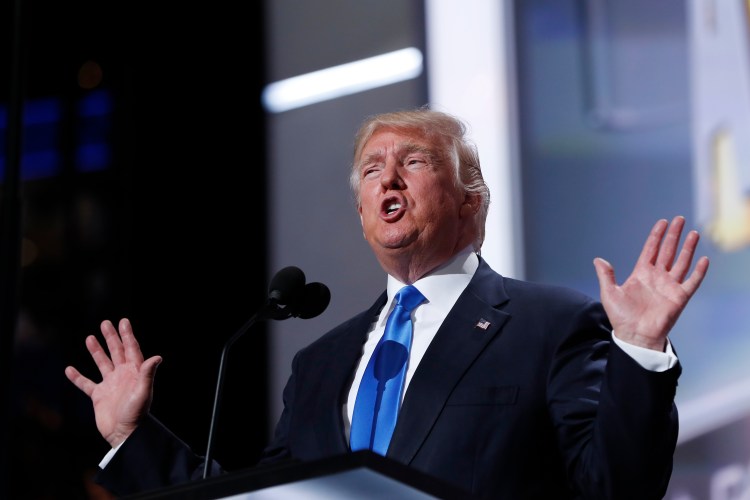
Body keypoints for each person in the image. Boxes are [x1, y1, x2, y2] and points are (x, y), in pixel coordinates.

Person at [65, 106, 710, 499]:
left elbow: (617, 488)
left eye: (415, 161)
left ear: (470, 199)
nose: (388, 180)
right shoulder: (320, 365)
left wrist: (639, 352)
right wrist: (132, 436)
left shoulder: (549, 324)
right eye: (372, 170)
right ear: (363, 211)